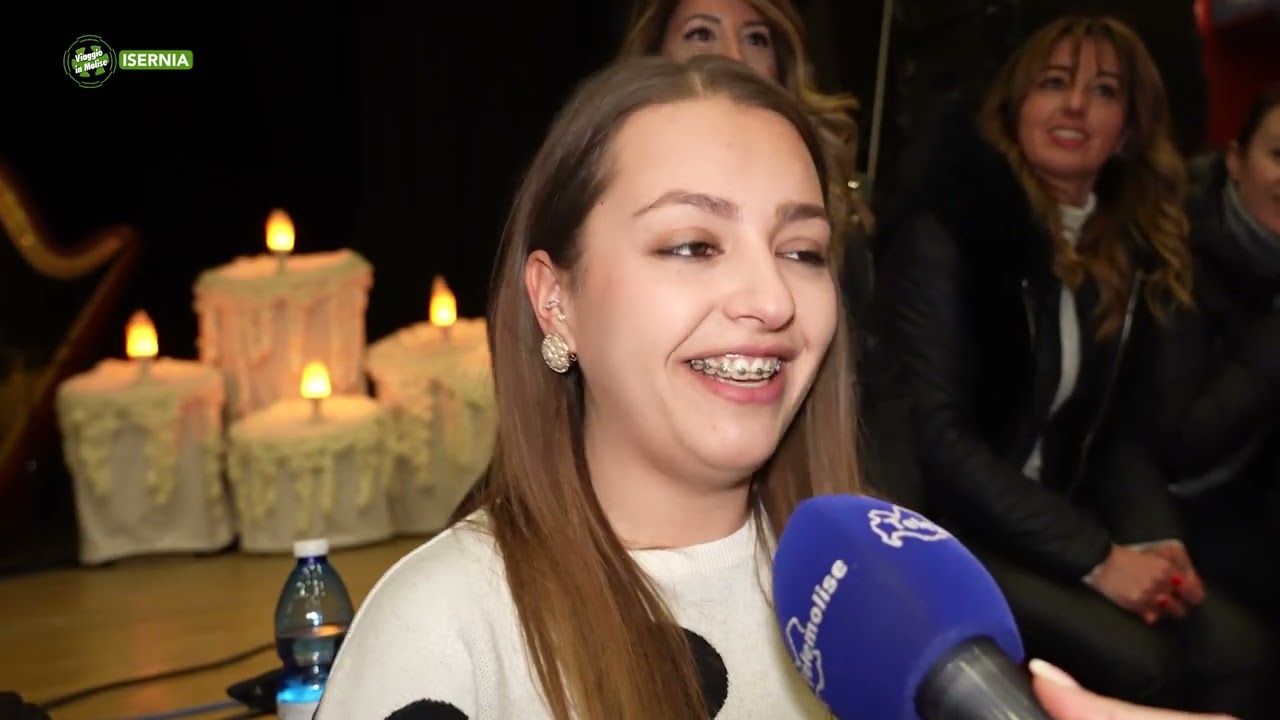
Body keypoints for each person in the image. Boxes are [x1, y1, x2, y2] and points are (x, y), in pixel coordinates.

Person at [315, 54, 861, 719]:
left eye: (801, 252)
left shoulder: (884, 604)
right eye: (692, 245)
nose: (772, 300)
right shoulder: (443, 631)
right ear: (555, 300)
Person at [870, 14, 1270, 716]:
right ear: (1015, 103)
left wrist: (1154, 537)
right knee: (1145, 665)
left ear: (1130, 130)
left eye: (1105, 91)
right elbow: (935, 438)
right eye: (1054, 83)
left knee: (1242, 652)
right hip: (948, 524)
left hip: (1053, 518)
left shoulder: (1120, 246)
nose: (1077, 106)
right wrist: (1096, 558)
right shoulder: (949, 227)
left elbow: (1118, 433)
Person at [1152, 84, 1280, 624]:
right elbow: (1182, 445)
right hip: (1173, 508)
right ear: (1235, 160)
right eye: (1279, 155)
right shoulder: (1176, 252)